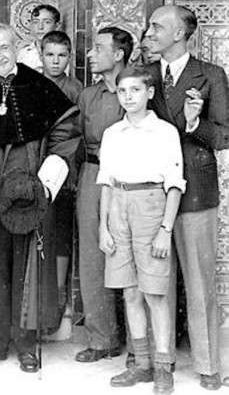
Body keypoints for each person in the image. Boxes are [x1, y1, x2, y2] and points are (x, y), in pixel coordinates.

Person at [0, 23, 79, 374]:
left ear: (16, 46)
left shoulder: (40, 88)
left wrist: (46, 185)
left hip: (28, 198)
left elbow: (66, 135)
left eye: (4, 48)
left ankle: (26, 345)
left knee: (27, 272)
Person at [145, 5, 229, 391]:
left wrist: (195, 123)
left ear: (179, 33)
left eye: (157, 26)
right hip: (151, 192)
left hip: (196, 190)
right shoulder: (144, 75)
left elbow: (224, 136)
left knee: (198, 282)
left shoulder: (211, 75)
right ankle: (159, 362)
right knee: (156, 281)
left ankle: (209, 364)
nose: (149, 32)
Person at [97, 66, 184, 394]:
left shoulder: (164, 132)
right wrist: (104, 226)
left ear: (149, 93)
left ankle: (163, 367)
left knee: (155, 292)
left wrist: (165, 229)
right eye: (123, 91)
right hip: (118, 206)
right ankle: (142, 363)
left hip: (151, 207)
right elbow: (105, 181)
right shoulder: (112, 134)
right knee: (130, 291)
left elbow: (174, 185)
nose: (129, 97)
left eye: (135, 90)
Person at [73, 26, 134, 364]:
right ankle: (102, 339)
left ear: (119, 54)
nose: (91, 54)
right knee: (93, 258)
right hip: (93, 175)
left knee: (130, 252)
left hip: (130, 177)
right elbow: (77, 138)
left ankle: (139, 344)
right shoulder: (88, 96)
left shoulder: (138, 89)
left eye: (98, 48)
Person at [39, 30, 83, 323]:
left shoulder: (76, 88)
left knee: (62, 234)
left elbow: (78, 131)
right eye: (50, 55)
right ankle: (37, 294)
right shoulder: (30, 82)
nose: (56, 61)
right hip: (35, 168)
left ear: (69, 57)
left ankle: (58, 294)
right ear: (40, 55)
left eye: (62, 56)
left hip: (64, 171)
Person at [16, 5, 60, 73]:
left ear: (57, 26)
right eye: (36, 22)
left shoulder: (61, 52)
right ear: (31, 25)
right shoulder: (23, 53)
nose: (40, 27)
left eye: (47, 22)